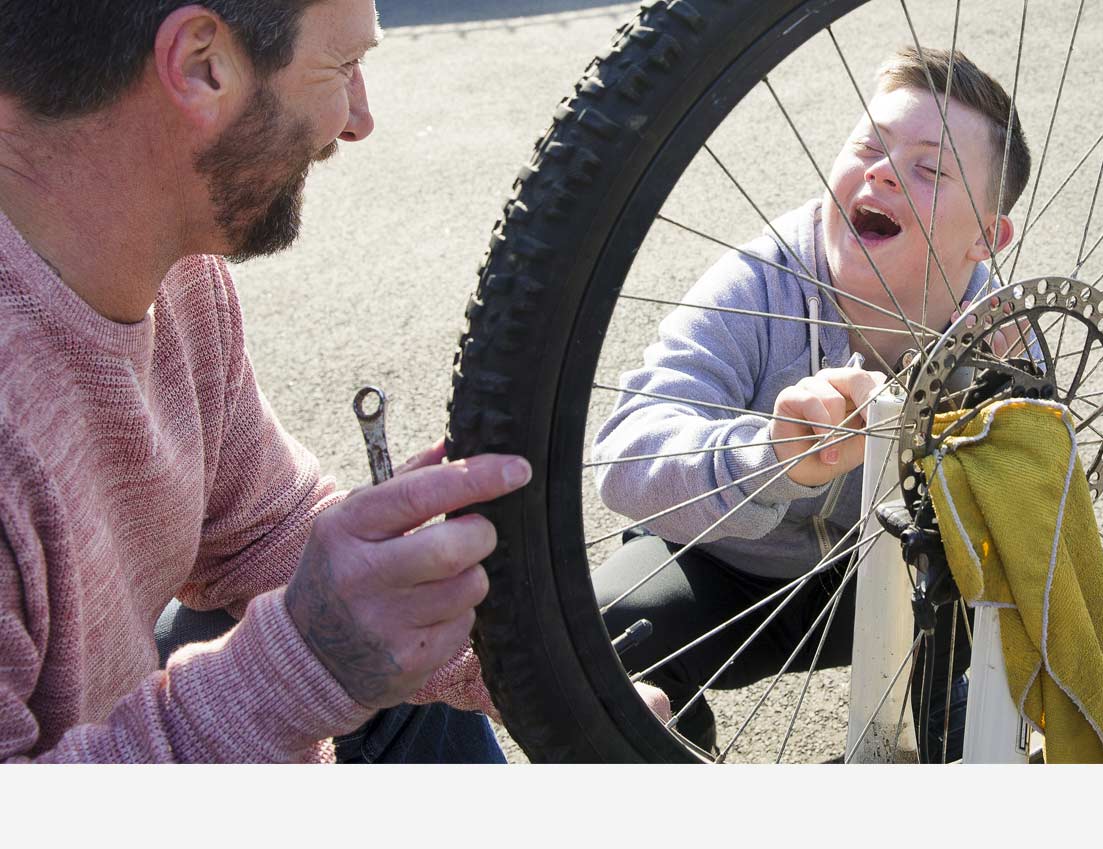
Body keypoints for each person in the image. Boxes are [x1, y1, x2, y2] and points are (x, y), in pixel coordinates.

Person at [0, 0, 534, 763]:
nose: (358, 120)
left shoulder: (178, 277)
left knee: (400, 685)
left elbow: (265, 530)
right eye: (343, 67)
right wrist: (306, 665)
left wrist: (532, 664)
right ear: (200, 64)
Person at [591, 46, 1032, 758]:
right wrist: (771, 454)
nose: (883, 170)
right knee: (604, 637)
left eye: (929, 167)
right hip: (728, 568)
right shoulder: (757, 285)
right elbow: (624, 454)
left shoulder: (1002, 330)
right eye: (868, 145)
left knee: (1006, 593)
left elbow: (1049, 503)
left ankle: (949, 758)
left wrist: (1004, 411)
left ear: (987, 237)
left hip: (896, 576)